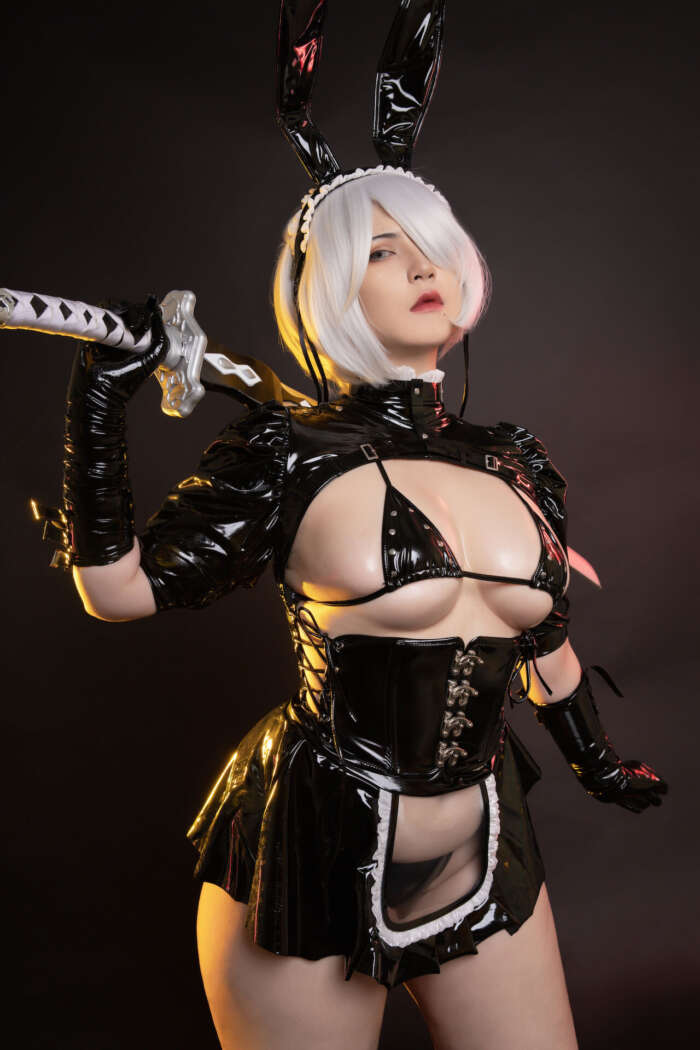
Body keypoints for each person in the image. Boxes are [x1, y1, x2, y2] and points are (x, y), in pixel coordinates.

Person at [49, 168, 667, 1050]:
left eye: (435, 249)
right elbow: (119, 591)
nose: (423, 269)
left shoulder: (514, 461)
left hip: (483, 846)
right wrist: (100, 402)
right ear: (328, 287)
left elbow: (542, 650)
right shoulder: (285, 450)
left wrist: (598, 764)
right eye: (382, 252)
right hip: (311, 851)